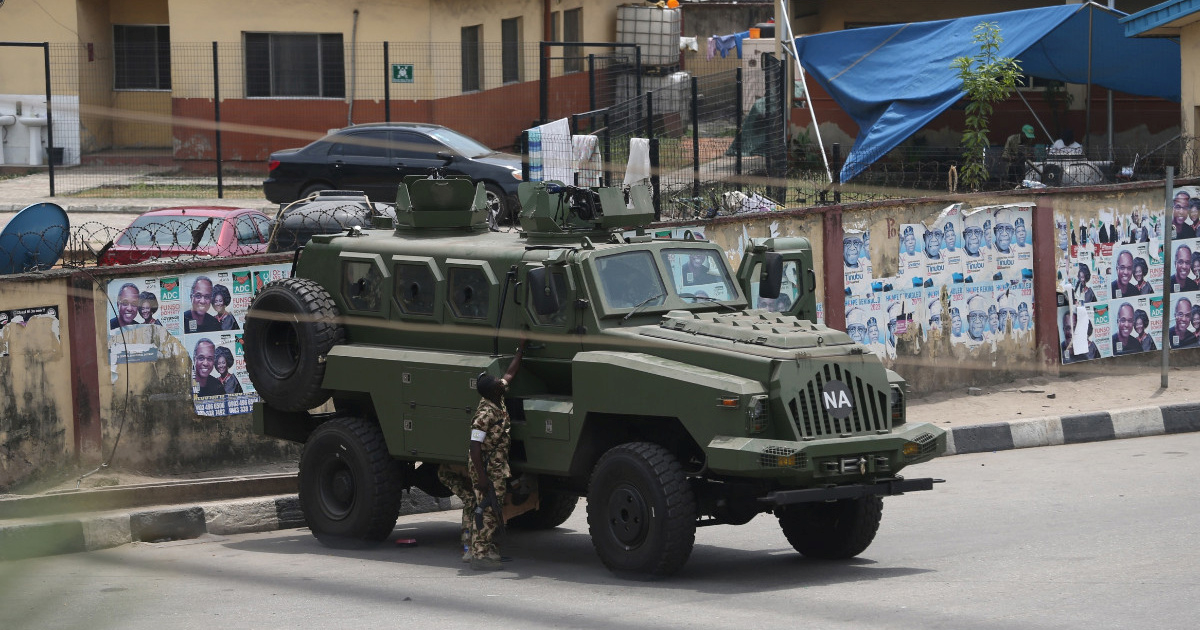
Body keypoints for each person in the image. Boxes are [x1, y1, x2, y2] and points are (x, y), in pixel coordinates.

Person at [439, 342, 526, 571]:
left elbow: (510, 373)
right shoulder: (484, 413)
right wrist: (482, 477)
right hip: (486, 468)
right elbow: (474, 447)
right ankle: (479, 555)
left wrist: (521, 349)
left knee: (490, 508)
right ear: (491, 390)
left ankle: (485, 549)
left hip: (496, 467)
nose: (500, 381)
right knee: (486, 509)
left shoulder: (499, 397)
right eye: (496, 382)